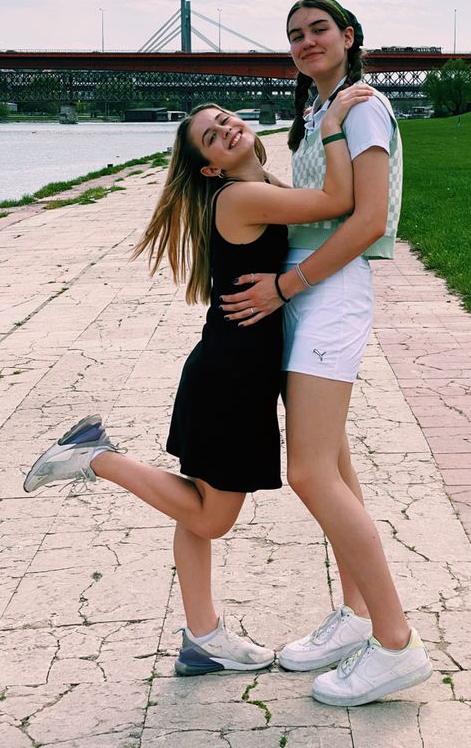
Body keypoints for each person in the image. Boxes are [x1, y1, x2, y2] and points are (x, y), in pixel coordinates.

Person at [22, 91, 369, 678]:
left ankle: (202, 638)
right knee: (211, 518)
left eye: (226, 119)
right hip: (231, 382)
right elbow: (340, 199)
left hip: (227, 372)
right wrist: (334, 124)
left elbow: (318, 207)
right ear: (210, 168)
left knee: (196, 506)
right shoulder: (239, 196)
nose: (227, 128)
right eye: (212, 136)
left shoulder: (259, 189)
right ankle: (95, 458)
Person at [220, 0, 432, 706]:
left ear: (349, 36)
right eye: (294, 35)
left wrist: (287, 284)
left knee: (309, 471)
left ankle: (395, 642)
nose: (306, 41)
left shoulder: (360, 107)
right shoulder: (323, 110)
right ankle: (360, 614)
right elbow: (318, 199)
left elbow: (368, 215)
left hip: (329, 292)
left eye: (319, 29)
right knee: (334, 462)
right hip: (312, 291)